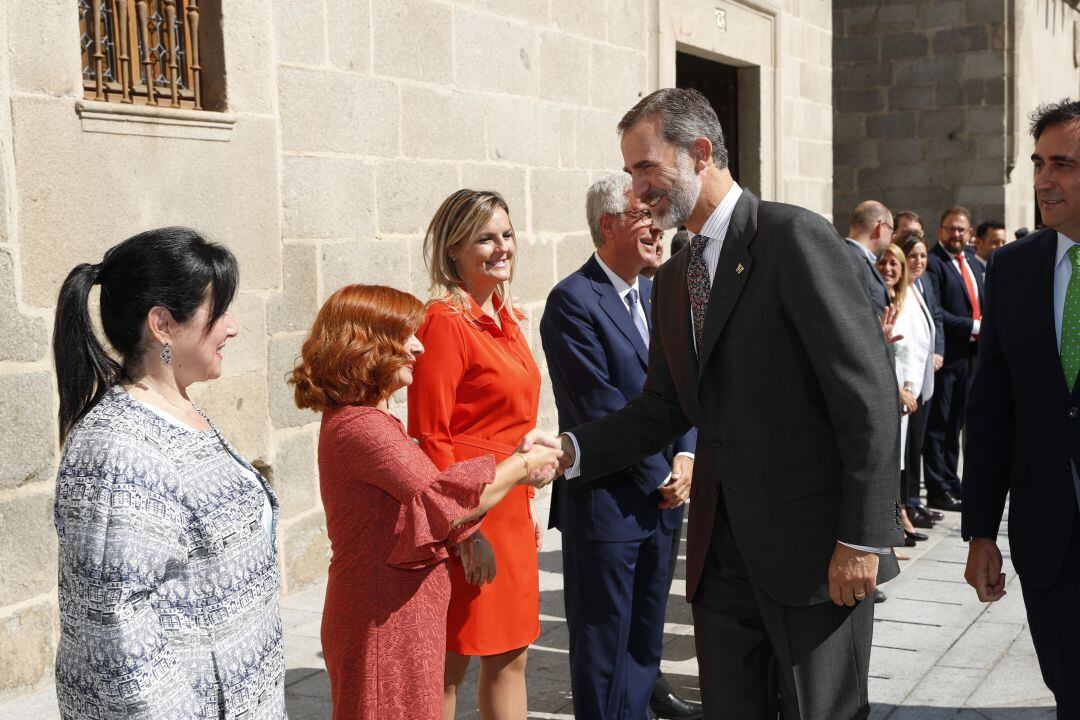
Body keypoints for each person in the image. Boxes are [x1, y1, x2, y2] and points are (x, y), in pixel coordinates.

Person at [556, 88, 902, 719]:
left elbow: (868, 397)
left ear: (701, 153)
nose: (635, 190)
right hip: (721, 563)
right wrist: (571, 450)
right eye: (631, 172)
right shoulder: (672, 279)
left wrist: (864, 537)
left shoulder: (792, 237)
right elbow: (664, 406)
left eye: (646, 168)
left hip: (814, 556)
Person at [287, 284, 560, 720]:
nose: (418, 346)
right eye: (404, 337)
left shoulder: (370, 420)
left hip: (398, 614)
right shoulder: (361, 428)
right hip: (381, 620)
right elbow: (441, 499)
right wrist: (521, 464)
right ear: (366, 346)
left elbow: (434, 498)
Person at [51, 228, 286, 719]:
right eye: (217, 312)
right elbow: (115, 633)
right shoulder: (118, 450)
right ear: (162, 324)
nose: (233, 327)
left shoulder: (176, 408)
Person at [540, 174, 700, 720]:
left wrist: (687, 456)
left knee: (643, 647)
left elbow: (685, 386)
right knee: (605, 653)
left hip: (662, 502)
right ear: (608, 225)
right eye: (643, 214)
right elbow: (600, 406)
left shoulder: (658, 293)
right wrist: (661, 473)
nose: (658, 225)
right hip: (608, 506)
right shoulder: (573, 301)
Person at [408, 189, 544, 719]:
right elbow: (430, 435)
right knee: (450, 664)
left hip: (508, 503)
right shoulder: (444, 321)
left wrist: (526, 504)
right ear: (454, 251)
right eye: (485, 238)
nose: (501, 247)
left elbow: (514, 426)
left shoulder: (507, 321)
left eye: (506, 234)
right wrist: (464, 530)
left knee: (512, 653)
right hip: (466, 507)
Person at [963, 99, 1080, 717]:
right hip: (1048, 537)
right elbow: (990, 412)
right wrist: (981, 530)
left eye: (1062, 164)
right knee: (1068, 689)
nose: (1042, 180)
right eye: (1037, 163)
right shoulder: (1011, 269)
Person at [923, 205, 985, 512]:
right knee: (940, 423)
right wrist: (974, 326)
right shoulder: (933, 263)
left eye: (961, 229)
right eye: (950, 229)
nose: (956, 234)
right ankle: (937, 487)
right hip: (946, 356)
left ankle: (951, 479)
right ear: (939, 231)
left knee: (958, 421)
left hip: (972, 357)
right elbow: (938, 313)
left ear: (970, 234)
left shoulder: (972, 262)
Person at [878, 243, 934, 547]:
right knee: (885, 462)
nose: (888, 269)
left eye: (894, 265)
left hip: (902, 390)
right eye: (883, 262)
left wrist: (910, 385)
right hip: (886, 390)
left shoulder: (903, 298)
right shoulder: (874, 297)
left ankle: (899, 518)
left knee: (898, 459)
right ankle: (891, 526)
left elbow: (910, 347)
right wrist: (898, 389)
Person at [897, 230, 945, 531]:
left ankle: (910, 503)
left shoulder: (919, 287)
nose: (919, 261)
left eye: (923, 256)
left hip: (919, 384)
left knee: (914, 448)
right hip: (906, 386)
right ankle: (903, 508)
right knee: (903, 451)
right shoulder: (900, 291)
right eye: (913, 255)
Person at [845, 200, 894, 318]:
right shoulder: (855, 261)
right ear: (881, 228)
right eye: (891, 231)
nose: (891, 240)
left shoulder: (842, 255)